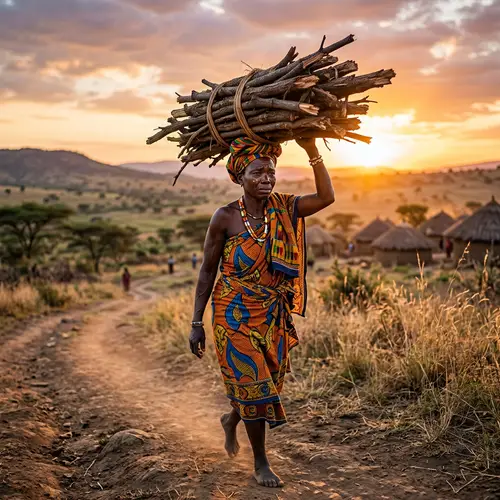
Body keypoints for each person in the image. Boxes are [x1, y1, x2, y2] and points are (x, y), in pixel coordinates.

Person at [189, 136, 335, 488]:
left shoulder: (285, 208)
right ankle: (260, 462)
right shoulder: (224, 218)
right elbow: (207, 271)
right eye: (258, 172)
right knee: (253, 385)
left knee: (265, 384)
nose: (267, 177)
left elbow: (326, 198)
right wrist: (197, 322)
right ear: (241, 177)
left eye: (271, 171)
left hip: (271, 314)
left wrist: (312, 149)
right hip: (232, 313)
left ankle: (231, 419)